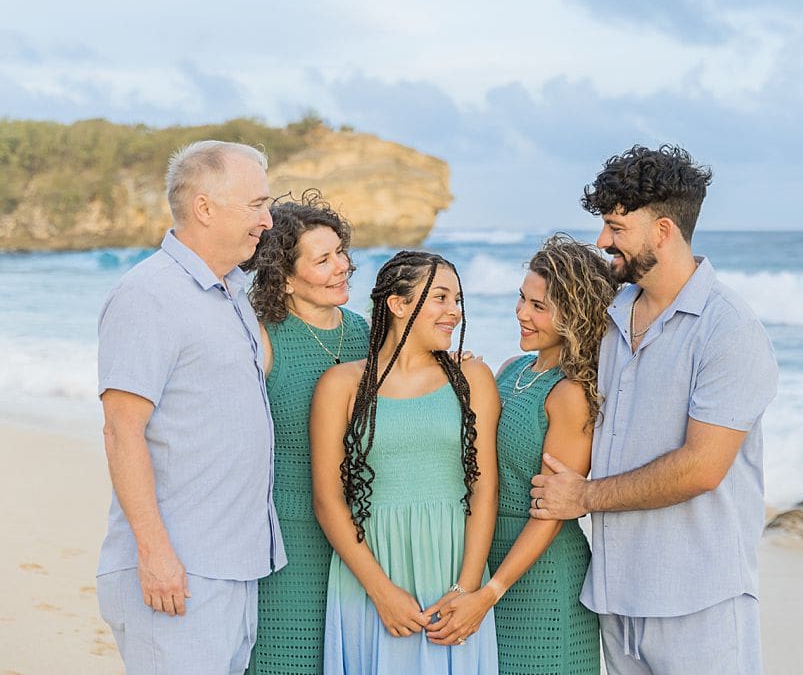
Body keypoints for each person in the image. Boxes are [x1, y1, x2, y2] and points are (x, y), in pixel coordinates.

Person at [530, 145, 779, 675]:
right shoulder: (614, 315)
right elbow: (548, 364)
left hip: (699, 600)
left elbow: (703, 467)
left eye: (616, 228)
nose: (602, 241)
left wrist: (585, 496)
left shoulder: (729, 329)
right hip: (617, 598)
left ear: (662, 231)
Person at [96, 139, 286, 674]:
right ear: (204, 208)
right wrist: (156, 556)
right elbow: (121, 430)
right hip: (178, 570)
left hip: (233, 565)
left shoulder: (231, 293)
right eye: (256, 205)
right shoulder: (149, 295)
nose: (267, 220)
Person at [311, 251, 501, 674]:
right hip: (369, 573)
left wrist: (467, 592)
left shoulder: (473, 379)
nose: (454, 311)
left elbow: (484, 489)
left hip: (452, 567)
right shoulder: (341, 385)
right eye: (440, 297)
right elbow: (328, 500)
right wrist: (381, 592)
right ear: (398, 305)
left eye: (457, 300)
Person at [447, 234, 616, 674]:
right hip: (486, 561)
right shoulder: (510, 370)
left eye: (538, 306)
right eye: (522, 299)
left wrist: (490, 592)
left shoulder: (571, 393)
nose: (521, 313)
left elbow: (552, 510)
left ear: (575, 315)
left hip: (543, 574)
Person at [242, 190, 370, 674]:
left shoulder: (368, 332)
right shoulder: (260, 338)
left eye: (341, 252)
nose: (342, 266)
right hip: (287, 533)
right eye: (323, 259)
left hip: (363, 533)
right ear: (286, 279)